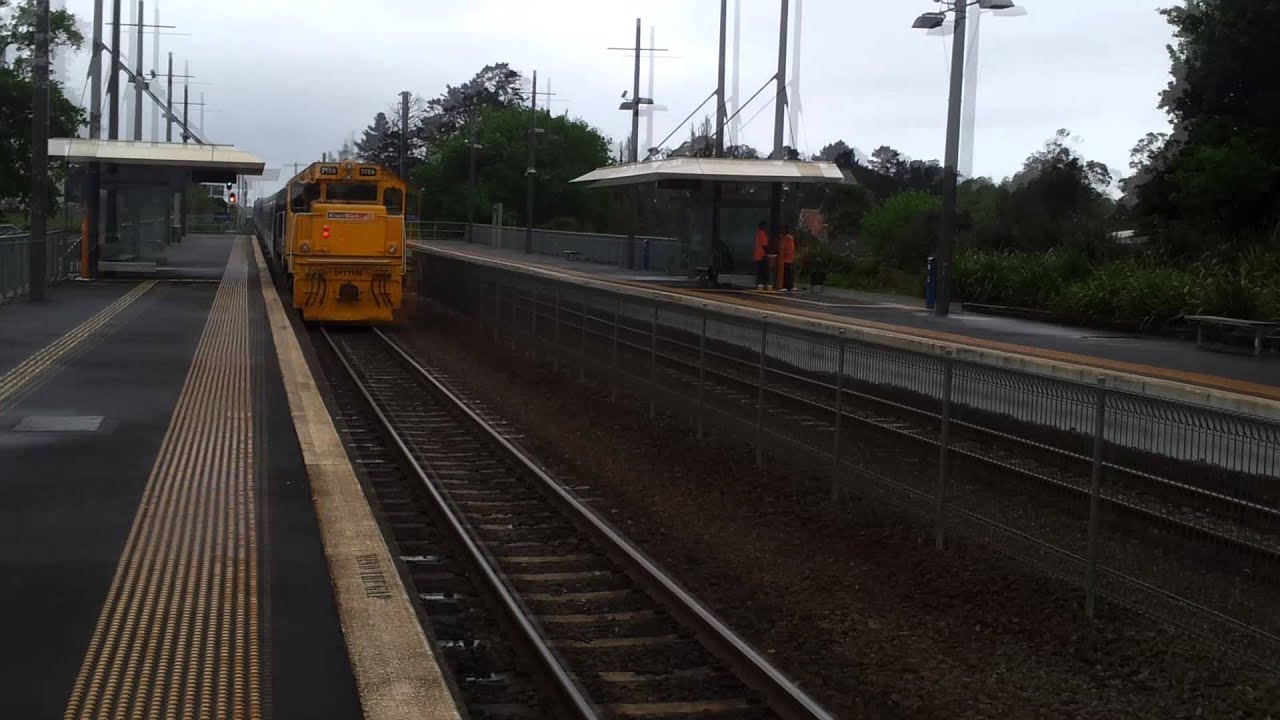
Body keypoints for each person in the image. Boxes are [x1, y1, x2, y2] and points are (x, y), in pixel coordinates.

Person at [752, 221, 769, 289]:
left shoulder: (758, 233)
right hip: (762, 256)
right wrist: (768, 254)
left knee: (759, 272)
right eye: (765, 226)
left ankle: (758, 285)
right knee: (764, 271)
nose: (766, 227)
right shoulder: (762, 233)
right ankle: (764, 285)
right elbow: (764, 245)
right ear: (762, 226)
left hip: (757, 256)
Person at [780, 226, 796, 292]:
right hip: (790, 258)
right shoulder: (791, 238)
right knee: (789, 273)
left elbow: (782, 247)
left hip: (785, 258)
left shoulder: (785, 238)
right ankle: (790, 286)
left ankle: (785, 286)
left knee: (785, 273)